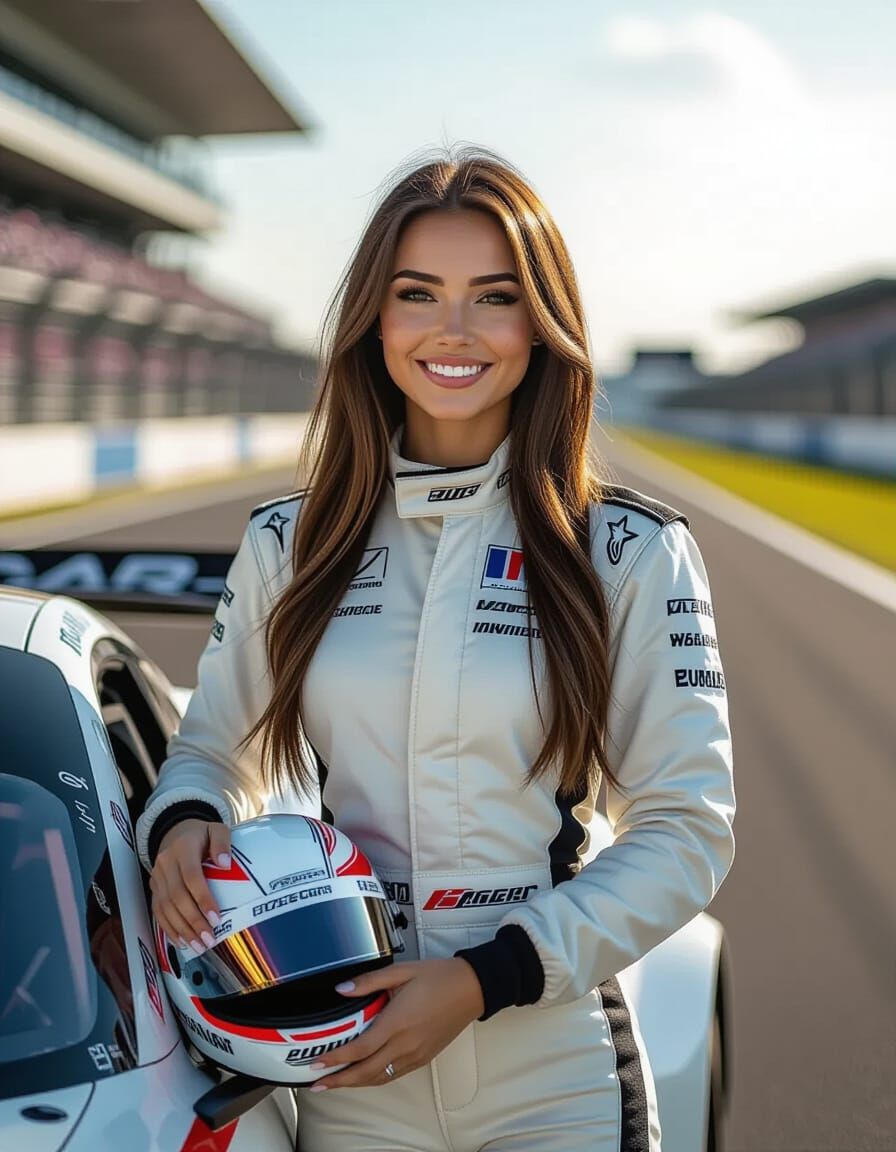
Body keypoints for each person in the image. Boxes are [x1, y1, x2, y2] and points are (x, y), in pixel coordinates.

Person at [136, 146, 736, 1151]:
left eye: (492, 297)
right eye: (418, 293)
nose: (451, 331)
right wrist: (183, 822)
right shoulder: (290, 544)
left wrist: (482, 979)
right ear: (375, 317)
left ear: (540, 324)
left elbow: (688, 825)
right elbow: (209, 753)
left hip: (553, 1067)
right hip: (344, 1062)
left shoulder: (629, 552)